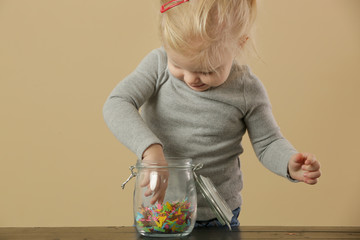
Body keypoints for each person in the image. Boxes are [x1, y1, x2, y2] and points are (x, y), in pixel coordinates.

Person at [103, 0, 321, 227]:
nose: (190, 79)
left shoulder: (246, 89)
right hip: (159, 212)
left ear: (239, 45)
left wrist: (288, 162)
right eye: (178, 65)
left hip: (218, 215)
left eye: (207, 71)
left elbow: (268, 142)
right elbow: (117, 103)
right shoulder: (157, 66)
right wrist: (149, 149)